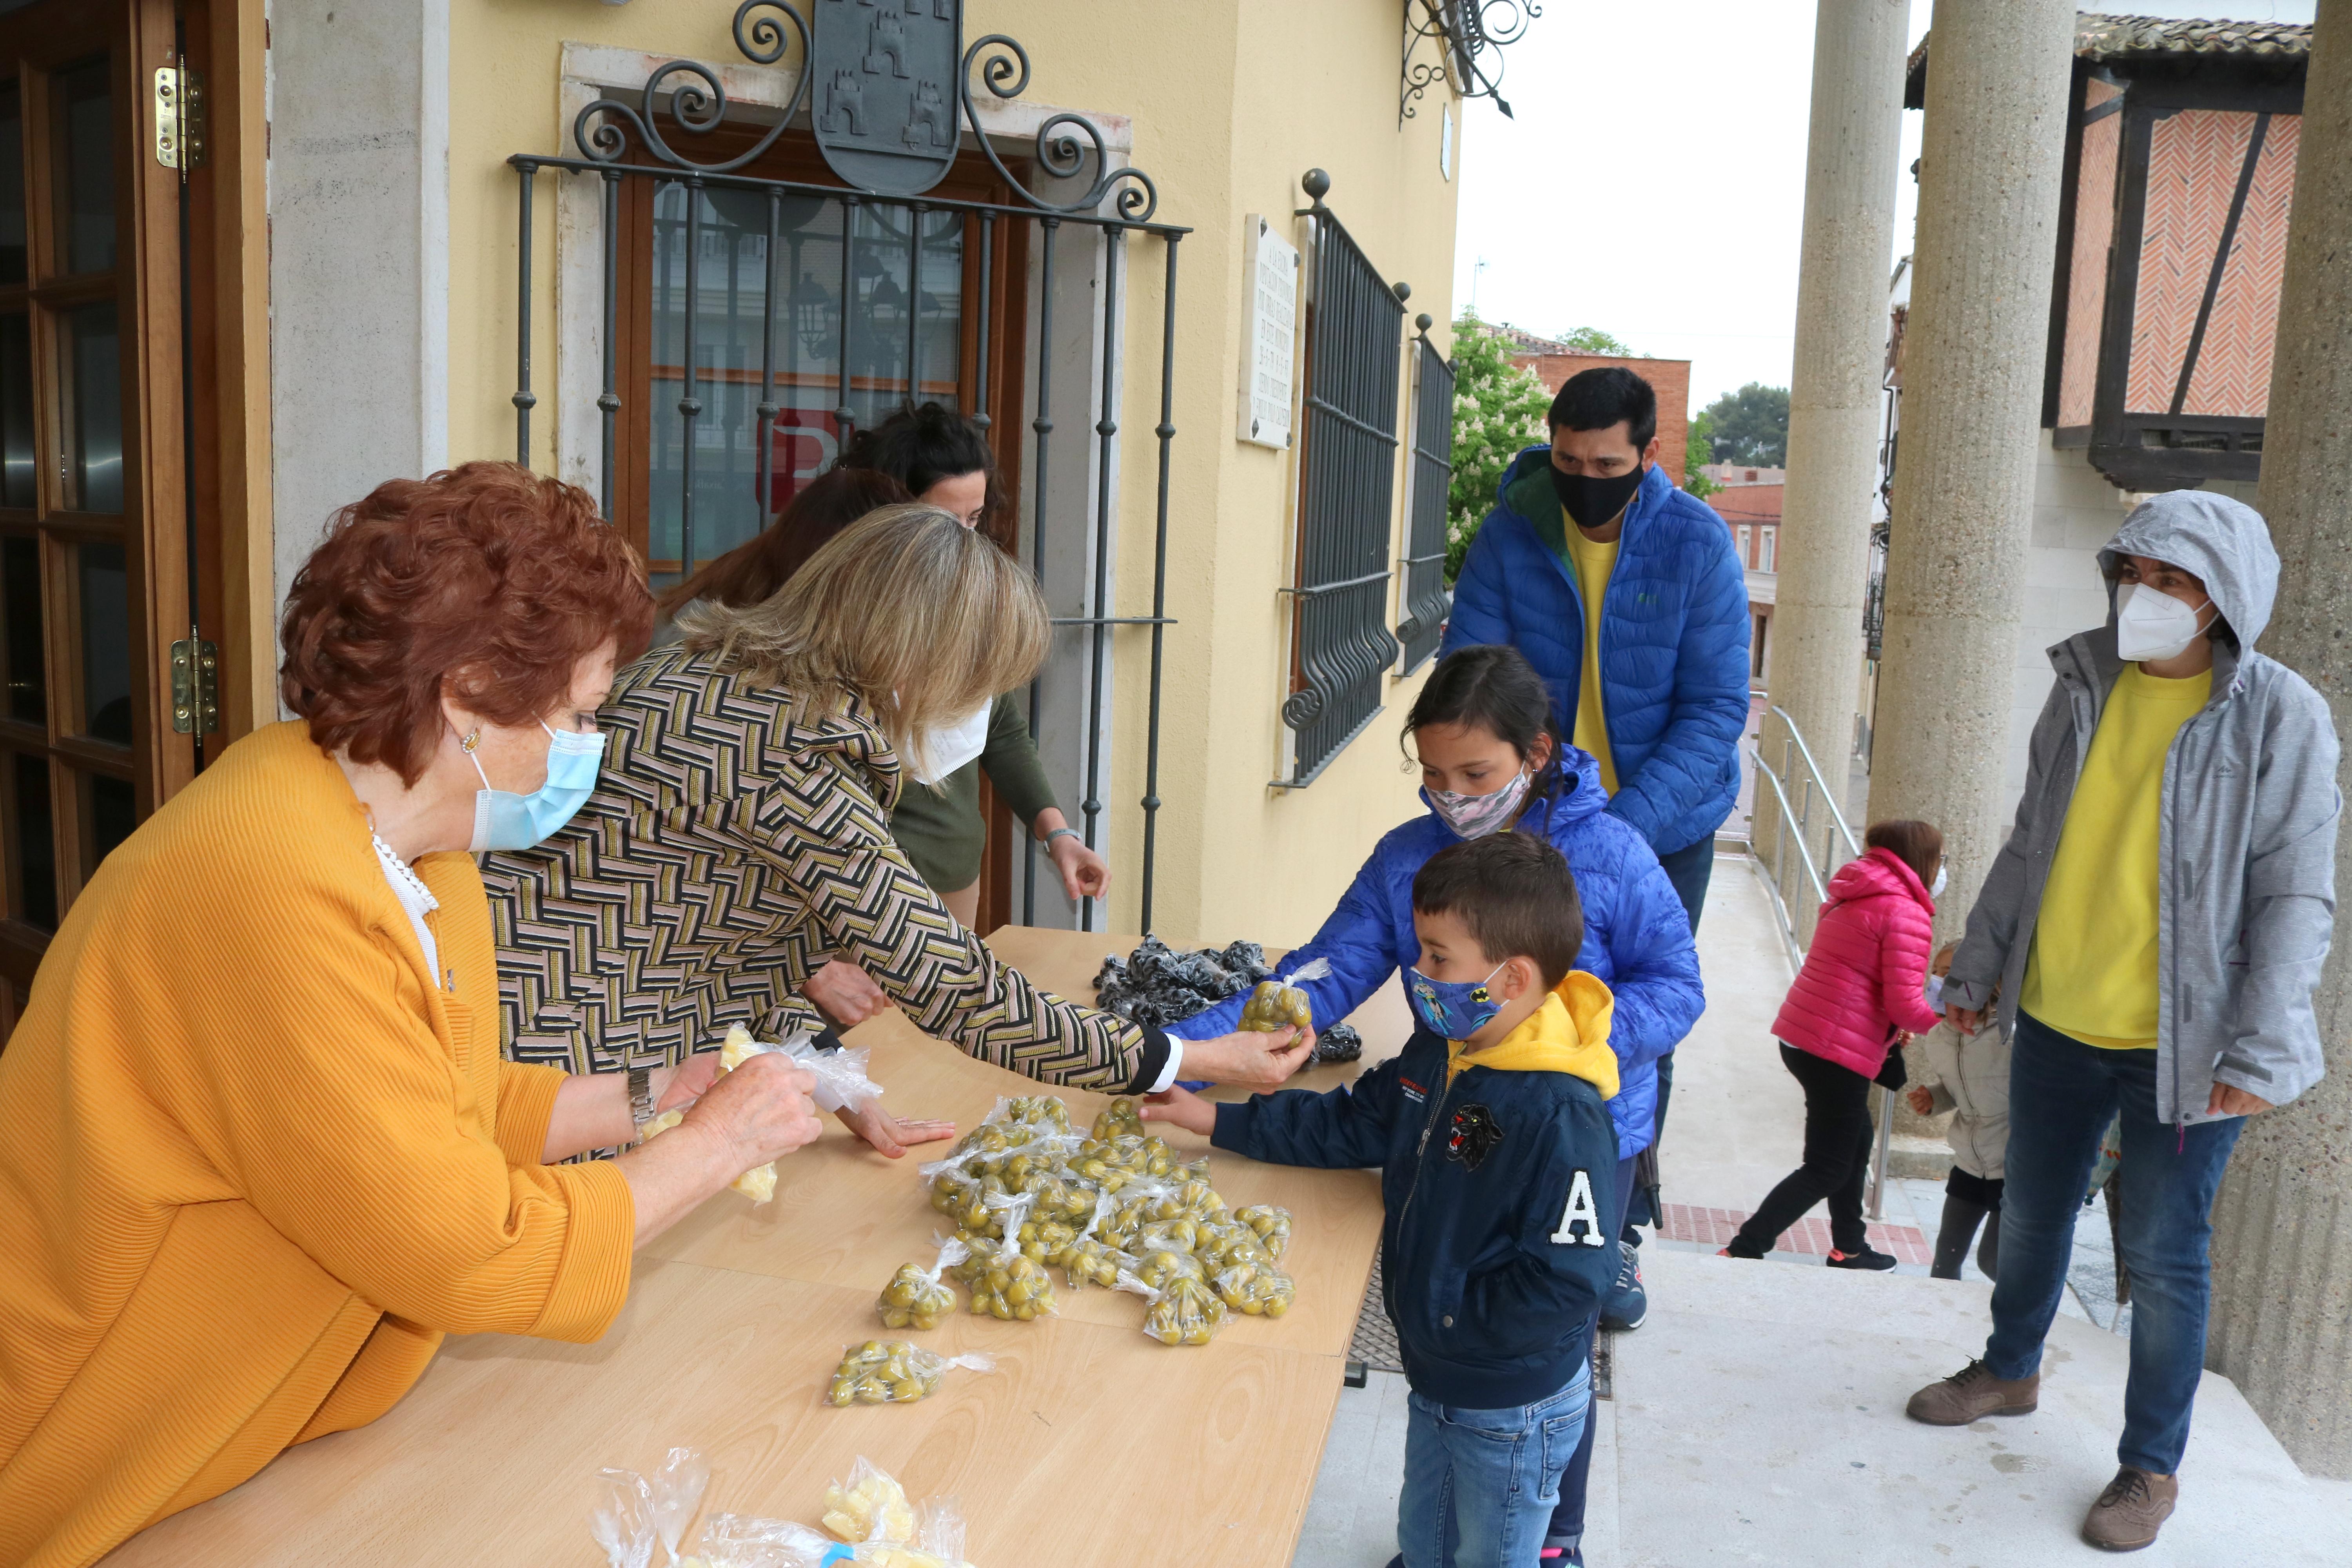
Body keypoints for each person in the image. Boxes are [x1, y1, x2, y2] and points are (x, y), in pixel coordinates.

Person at [0, 464, 828, 1568]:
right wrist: (719, 1146)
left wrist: (644, 1102)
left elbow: (424, 1110)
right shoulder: (273, 885)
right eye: (581, 714)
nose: (592, 744)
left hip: (240, 1423)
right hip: (80, 1420)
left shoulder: (409, 839)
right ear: (470, 689)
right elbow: (461, 1249)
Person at [483, 504, 1309, 1160]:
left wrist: (838, 1083)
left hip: (503, 1024)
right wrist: (1191, 1059)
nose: (979, 711)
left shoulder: (703, 675)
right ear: (917, 662)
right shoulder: (797, 753)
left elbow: (724, 925)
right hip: (560, 1074)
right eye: (977, 684)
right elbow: (959, 988)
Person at [1162, 644, 1700, 1568]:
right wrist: (1185, 1059)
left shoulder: (1612, 852)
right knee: (1453, 1341)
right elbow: (1320, 972)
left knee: (1546, 1345)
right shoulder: (1412, 856)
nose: (1453, 795)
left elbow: (1677, 984)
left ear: (1535, 752)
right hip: (1451, 1114)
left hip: (1578, 1128)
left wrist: (1552, 1054)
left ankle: (1550, 1541)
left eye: (1476, 773)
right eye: (1435, 774)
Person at [1905, 491, 2339, 1553]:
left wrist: (2258, 1045)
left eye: (2173, 581)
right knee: (2036, 1213)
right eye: (2134, 574)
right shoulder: (2083, 686)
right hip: (2056, 1017)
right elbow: (2028, 841)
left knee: (2165, 1251)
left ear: (2224, 598)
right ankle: (2010, 1372)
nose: (2144, 598)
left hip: (2188, 1049)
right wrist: (1986, 962)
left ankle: (2150, 1467)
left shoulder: (2284, 716)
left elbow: (2297, 895)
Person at [1144, 832, 1622, 1568]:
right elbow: (1353, 1122)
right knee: (1424, 1528)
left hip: (1508, 1399)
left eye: (1438, 957)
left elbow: (1568, 1279)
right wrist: (1215, 1119)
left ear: (1512, 979)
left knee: (1495, 1549)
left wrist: (1451, 1320)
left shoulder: (1562, 1113)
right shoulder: (1440, 1048)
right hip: (1436, 1368)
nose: (1418, 971)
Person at [1440, 364, 1750, 1260]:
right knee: (1511, 1002)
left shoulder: (1698, 544)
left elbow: (1715, 711)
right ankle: (1508, 1180)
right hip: (1526, 826)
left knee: (1636, 1008)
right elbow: (1475, 678)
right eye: (1568, 458)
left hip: (1663, 827)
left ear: (1649, 457)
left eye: (1606, 463)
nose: (1583, 480)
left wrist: (1623, 830)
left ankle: (1615, 1210)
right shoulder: (1511, 534)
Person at [817, 402, 1105, 1021]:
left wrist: (1058, 834)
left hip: (953, 880)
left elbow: (1000, 727)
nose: (963, 541)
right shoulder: (834, 617)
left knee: (934, 1060)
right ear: (888, 516)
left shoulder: (968, 600)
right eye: (944, 520)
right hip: (853, 894)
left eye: (975, 519)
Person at [1720, 821, 1944, 1268]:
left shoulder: (1854, 892)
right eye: (1942, 860)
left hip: (1805, 1037)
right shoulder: (1905, 912)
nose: (1943, 870)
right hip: (1836, 1051)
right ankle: (1745, 1247)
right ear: (1923, 861)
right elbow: (1904, 1003)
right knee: (1827, 1166)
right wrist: (1947, 1021)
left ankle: (1850, 1246)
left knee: (1857, 1140)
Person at [1909, 941, 2007, 1281]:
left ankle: (2014, 1327)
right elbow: (1960, 1090)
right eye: (1936, 973)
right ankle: (1937, 1328)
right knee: (1945, 1260)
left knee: (1993, 1263)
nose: (1937, 982)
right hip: (1968, 1163)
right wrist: (1935, 1099)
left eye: (1949, 975)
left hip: (2012, 1169)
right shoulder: (1938, 1038)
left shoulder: (2012, 1036)